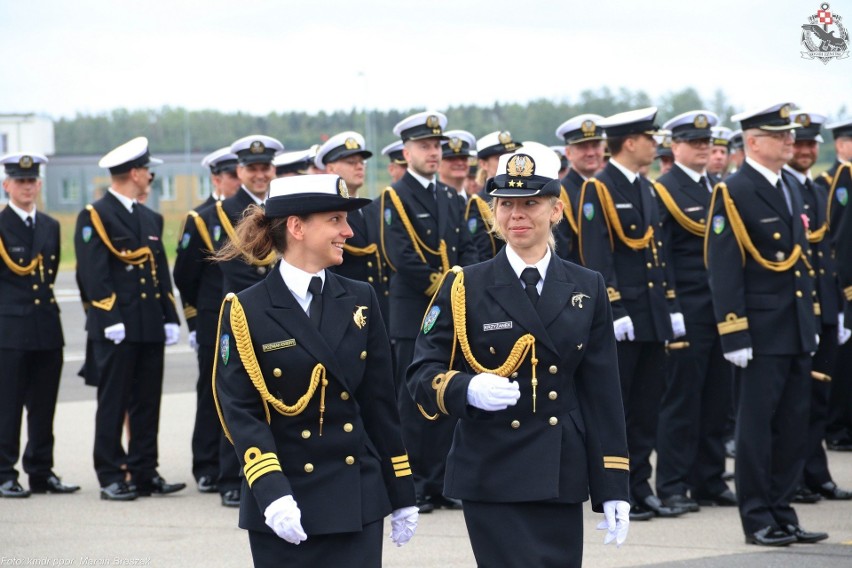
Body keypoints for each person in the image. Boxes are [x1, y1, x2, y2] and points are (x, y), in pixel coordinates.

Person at [407, 144, 630, 568]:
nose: (517, 215)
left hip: (559, 469)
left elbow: (603, 394)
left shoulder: (587, 286)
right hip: (491, 468)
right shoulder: (464, 285)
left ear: (556, 210)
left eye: (530, 203)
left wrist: (613, 483)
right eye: (506, 204)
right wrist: (466, 387)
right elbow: (421, 373)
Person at [213, 174, 417, 567]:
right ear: (297, 227)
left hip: (355, 499)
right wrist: (271, 492)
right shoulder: (246, 310)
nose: (348, 231)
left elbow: (380, 404)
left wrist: (402, 491)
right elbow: (240, 411)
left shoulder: (360, 298)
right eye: (336, 220)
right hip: (286, 499)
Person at [706, 102, 827, 546]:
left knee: (793, 425)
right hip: (758, 331)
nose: (790, 143)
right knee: (756, 431)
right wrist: (733, 330)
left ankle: (783, 510)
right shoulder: (734, 191)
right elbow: (724, 267)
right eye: (781, 136)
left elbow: (801, 265)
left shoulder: (788, 187)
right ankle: (757, 518)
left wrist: (810, 321)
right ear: (754, 142)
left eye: (790, 136)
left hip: (792, 326)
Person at [577, 107, 684, 521]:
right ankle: (613, 489)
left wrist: (671, 305)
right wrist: (614, 305)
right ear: (630, 142)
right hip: (623, 319)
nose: (656, 144)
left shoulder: (647, 188)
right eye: (650, 137)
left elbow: (659, 254)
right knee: (616, 411)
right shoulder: (598, 190)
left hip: (652, 316)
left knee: (645, 408)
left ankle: (641, 486)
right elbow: (597, 255)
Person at [74, 137, 184, 501]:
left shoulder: (149, 217)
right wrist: (108, 315)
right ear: (135, 174)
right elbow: (93, 273)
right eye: (148, 172)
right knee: (113, 402)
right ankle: (109, 474)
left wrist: (170, 315)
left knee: (147, 401)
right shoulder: (96, 215)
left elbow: (159, 272)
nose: (150, 178)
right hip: (116, 327)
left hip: (149, 323)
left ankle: (143, 470)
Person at [380, 111, 479, 513]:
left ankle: (440, 479)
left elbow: (469, 249)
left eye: (436, 146)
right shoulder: (395, 197)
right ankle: (414, 482)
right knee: (413, 403)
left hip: (451, 314)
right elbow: (400, 255)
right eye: (425, 146)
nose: (434, 153)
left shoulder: (450, 197)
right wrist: (445, 294)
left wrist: (466, 288)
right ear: (407, 152)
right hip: (414, 314)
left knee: (447, 397)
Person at [653, 110, 736, 513]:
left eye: (708, 143)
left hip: (720, 309)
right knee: (682, 401)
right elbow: (661, 255)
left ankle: (709, 479)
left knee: (718, 400)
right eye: (695, 142)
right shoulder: (664, 190)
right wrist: (671, 307)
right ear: (675, 146)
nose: (704, 149)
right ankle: (671, 484)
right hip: (687, 307)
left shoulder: (717, 188)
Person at [197, 133, 283, 506]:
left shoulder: (281, 205)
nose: (260, 174)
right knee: (235, 397)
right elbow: (233, 269)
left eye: (265, 167)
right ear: (240, 171)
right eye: (252, 168)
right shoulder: (225, 209)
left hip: (280, 311)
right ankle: (229, 477)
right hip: (244, 312)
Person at [0, 153, 78, 498]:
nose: (27, 187)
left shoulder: (50, 225)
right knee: (8, 405)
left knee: (44, 405)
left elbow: (47, 275)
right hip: (10, 331)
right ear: (7, 186)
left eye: (32, 181)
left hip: (47, 326)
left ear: (40, 185)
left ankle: (41, 472)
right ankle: (4, 473)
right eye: (20, 181)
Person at [785, 111, 852, 502]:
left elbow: (828, 252)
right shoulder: (789, 188)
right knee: (794, 404)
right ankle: (792, 478)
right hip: (798, 309)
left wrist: (838, 309)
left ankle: (815, 473)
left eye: (812, 143)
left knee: (818, 401)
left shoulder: (814, 189)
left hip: (825, 307)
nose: (807, 150)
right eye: (800, 143)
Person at [172, 147, 240, 499]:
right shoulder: (201, 218)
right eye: (230, 175)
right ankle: (206, 465)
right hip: (214, 317)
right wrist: (196, 319)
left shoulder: (252, 214)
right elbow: (185, 275)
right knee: (211, 392)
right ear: (216, 179)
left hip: (243, 317)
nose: (235, 180)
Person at [316, 131, 389, 321]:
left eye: (361, 162)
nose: (359, 167)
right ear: (330, 169)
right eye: (351, 162)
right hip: (345, 307)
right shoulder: (326, 214)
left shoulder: (372, 209)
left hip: (378, 305)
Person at [817, 117, 852, 452]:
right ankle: (839, 427)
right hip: (842, 287)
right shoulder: (841, 177)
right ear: (840, 145)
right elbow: (841, 239)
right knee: (841, 365)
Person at [555, 113, 607, 263]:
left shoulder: (605, 187)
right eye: (583, 147)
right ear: (569, 153)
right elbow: (562, 251)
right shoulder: (560, 193)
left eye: (596, 145)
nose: (591, 153)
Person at [441, 129, 495, 261]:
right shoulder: (433, 201)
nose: (459, 162)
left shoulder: (476, 202)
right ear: (438, 162)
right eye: (451, 158)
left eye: (463, 158)